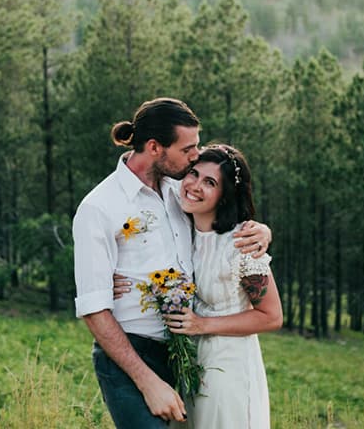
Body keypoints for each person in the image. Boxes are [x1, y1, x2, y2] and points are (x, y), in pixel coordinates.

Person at [72, 98, 272, 429]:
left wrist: (262, 232)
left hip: (183, 353)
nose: (196, 156)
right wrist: (147, 381)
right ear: (154, 147)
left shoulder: (181, 190)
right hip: (130, 354)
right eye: (188, 149)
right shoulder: (100, 207)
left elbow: (225, 211)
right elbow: (94, 309)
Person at [164, 144, 283, 429]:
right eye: (193, 174)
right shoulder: (181, 232)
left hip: (228, 366)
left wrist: (201, 325)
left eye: (210, 182)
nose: (194, 185)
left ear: (224, 195)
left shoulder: (242, 244)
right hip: (189, 363)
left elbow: (271, 316)